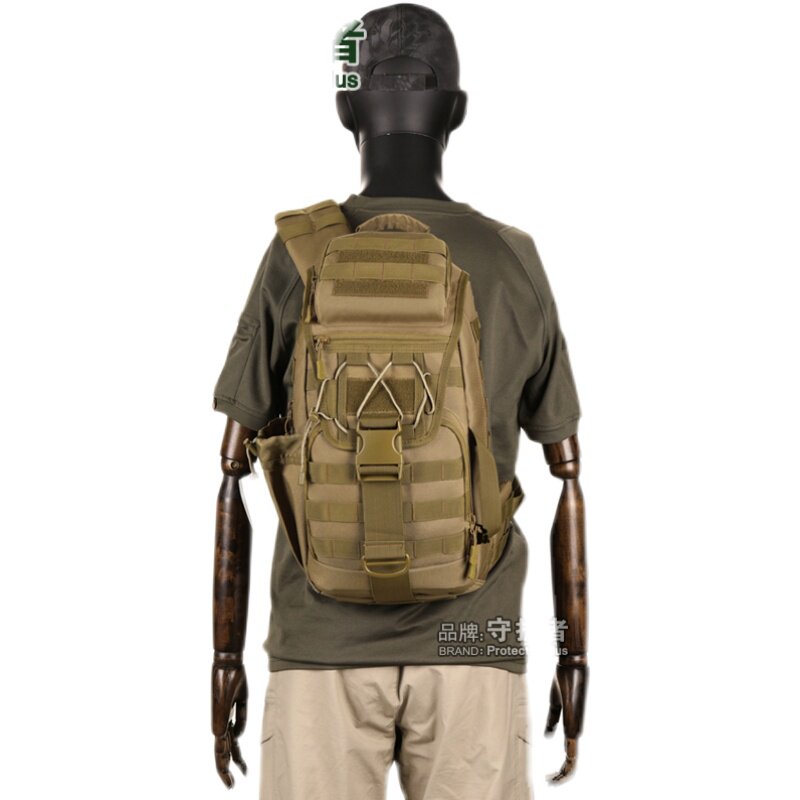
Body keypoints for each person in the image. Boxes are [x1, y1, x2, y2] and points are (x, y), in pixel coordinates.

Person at [211, 5, 588, 798]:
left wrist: (224, 660)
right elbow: (568, 474)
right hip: (473, 642)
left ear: (347, 109)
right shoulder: (513, 259)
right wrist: (573, 654)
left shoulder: (294, 255)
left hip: (319, 645)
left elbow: (230, 469)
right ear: (457, 111)